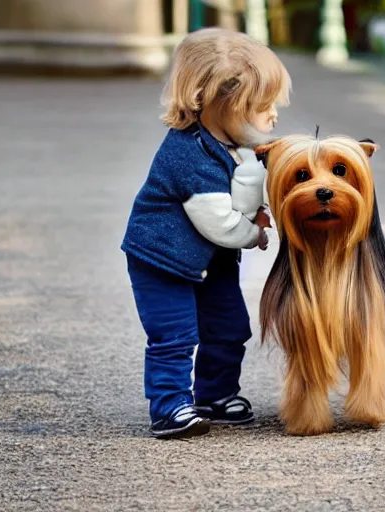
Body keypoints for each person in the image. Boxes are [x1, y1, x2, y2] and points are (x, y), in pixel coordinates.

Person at [121, 27, 291, 439]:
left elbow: (246, 189)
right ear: (224, 103)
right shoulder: (188, 154)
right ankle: (170, 405)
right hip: (162, 259)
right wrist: (254, 233)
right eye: (263, 105)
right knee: (175, 334)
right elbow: (219, 223)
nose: (274, 115)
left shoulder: (236, 144)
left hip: (207, 259)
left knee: (229, 326)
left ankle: (214, 395)